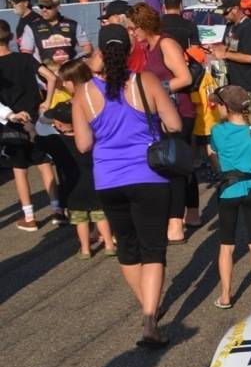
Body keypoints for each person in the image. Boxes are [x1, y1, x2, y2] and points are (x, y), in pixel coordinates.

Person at [72, 24, 182, 349]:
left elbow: (82, 145)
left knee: (128, 248)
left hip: (108, 179)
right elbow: (174, 124)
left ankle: (148, 309)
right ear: (129, 49)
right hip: (149, 175)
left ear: (102, 53)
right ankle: (150, 320)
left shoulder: (84, 93)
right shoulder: (144, 81)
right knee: (153, 249)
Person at [128, 4, 195, 242]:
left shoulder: (166, 43)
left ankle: (176, 225)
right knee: (175, 163)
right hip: (165, 114)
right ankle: (188, 214)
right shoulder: (150, 47)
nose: (133, 33)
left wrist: (156, 90)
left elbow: (185, 78)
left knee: (173, 166)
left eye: (135, 28)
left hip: (179, 113)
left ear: (145, 25)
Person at [208, 85, 251, 307]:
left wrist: (220, 168)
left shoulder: (217, 131)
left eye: (219, 104)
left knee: (227, 245)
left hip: (228, 192)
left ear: (226, 107)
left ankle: (226, 295)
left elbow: (212, 153)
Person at [0, 19, 61, 230]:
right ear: (10, 38)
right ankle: (57, 210)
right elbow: (51, 78)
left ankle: (29, 216)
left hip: (11, 122)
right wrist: (47, 102)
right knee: (44, 163)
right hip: (36, 118)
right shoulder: (25, 58)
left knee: (19, 168)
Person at [42, 102, 115, 258]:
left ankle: (85, 249)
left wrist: (29, 129)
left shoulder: (57, 142)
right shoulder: (91, 138)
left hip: (73, 190)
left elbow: (38, 140)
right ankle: (109, 244)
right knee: (101, 217)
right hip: (94, 184)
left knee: (80, 222)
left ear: (60, 125)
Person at [19, 0, 93, 66]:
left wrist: (74, 63)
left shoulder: (72, 24)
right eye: (41, 7)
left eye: (48, 7)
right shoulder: (32, 27)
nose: (44, 10)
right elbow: (26, 54)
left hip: (69, 72)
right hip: (45, 74)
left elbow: (87, 48)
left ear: (57, 7)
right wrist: (41, 70)